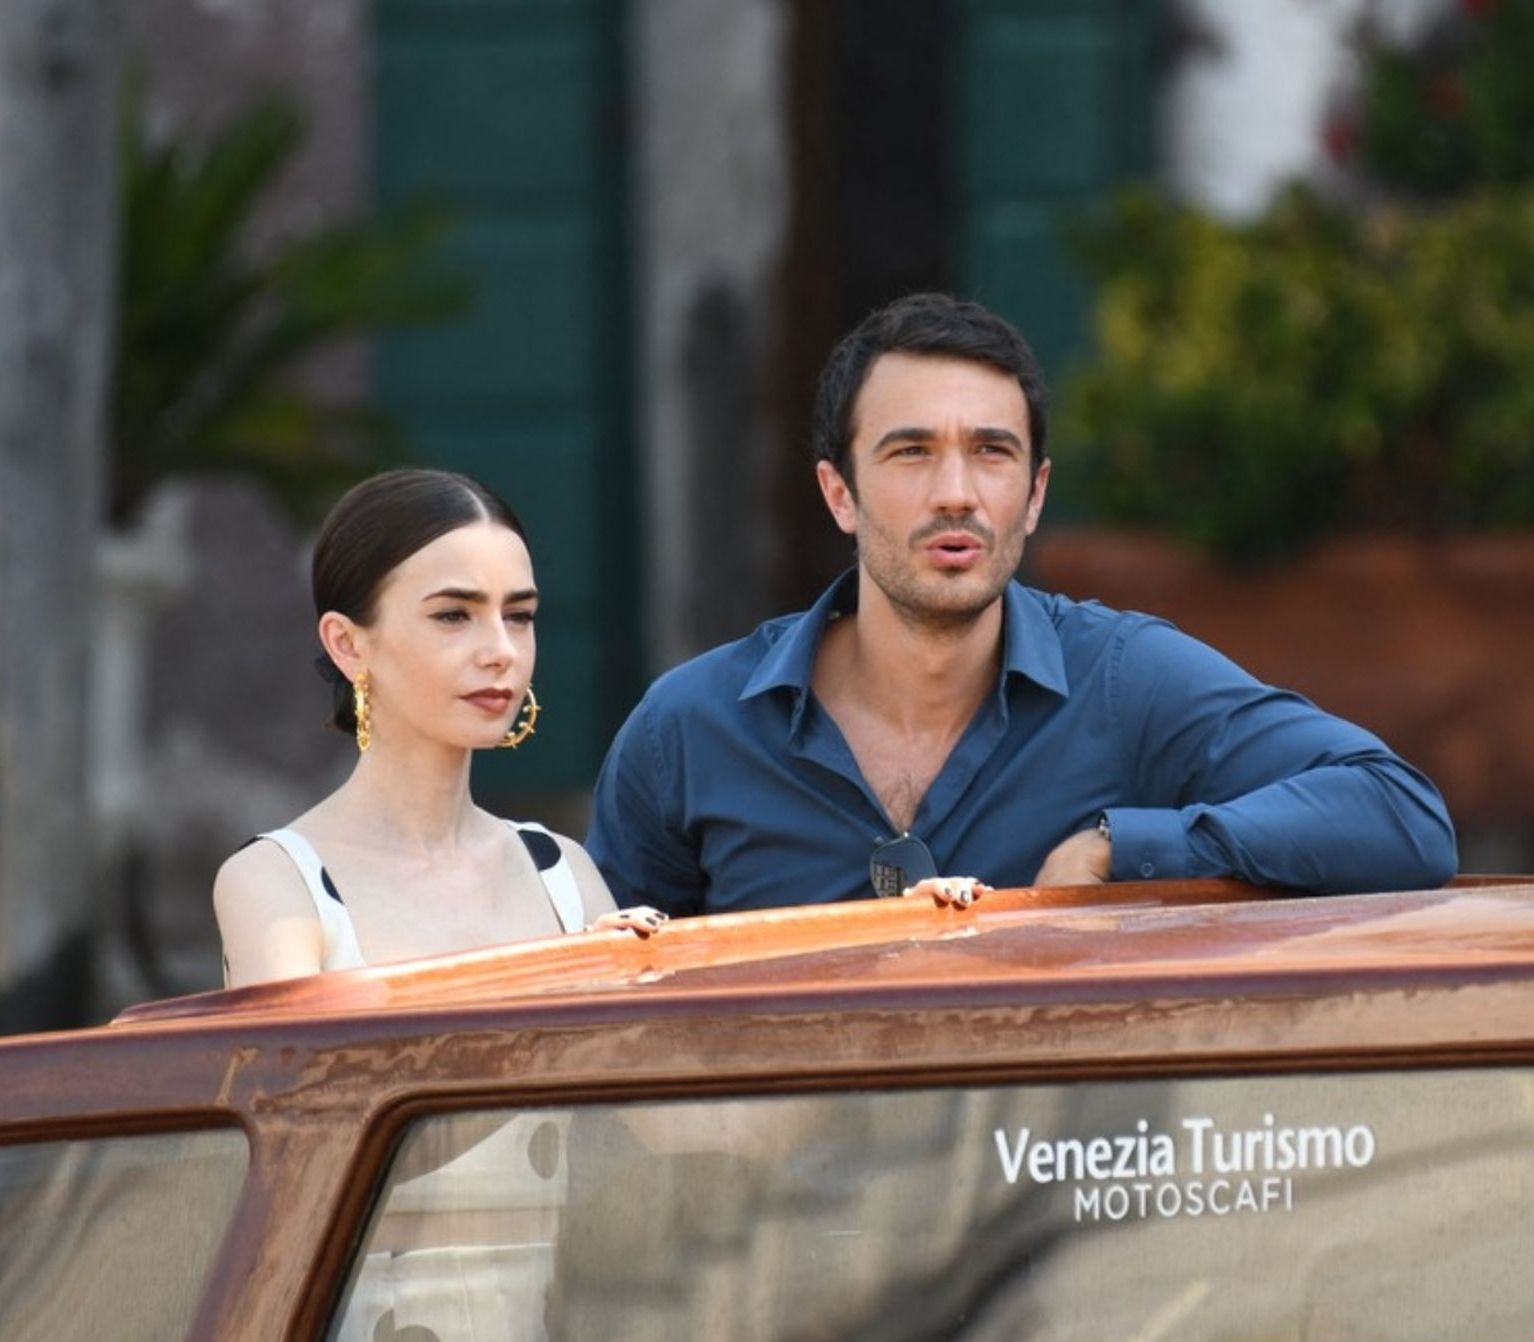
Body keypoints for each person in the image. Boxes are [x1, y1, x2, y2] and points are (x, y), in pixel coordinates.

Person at [587, 292, 1457, 916]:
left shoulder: (1124, 682)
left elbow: (1402, 815)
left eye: (991, 452)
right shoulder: (687, 731)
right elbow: (600, 1006)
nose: (957, 493)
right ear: (839, 493)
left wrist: (1124, 846)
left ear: (1035, 495)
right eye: (911, 452)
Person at [215, 468, 664, 986]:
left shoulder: (563, 870)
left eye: (519, 615)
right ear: (347, 643)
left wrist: (606, 993)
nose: (501, 651)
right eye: (453, 615)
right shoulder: (275, 881)